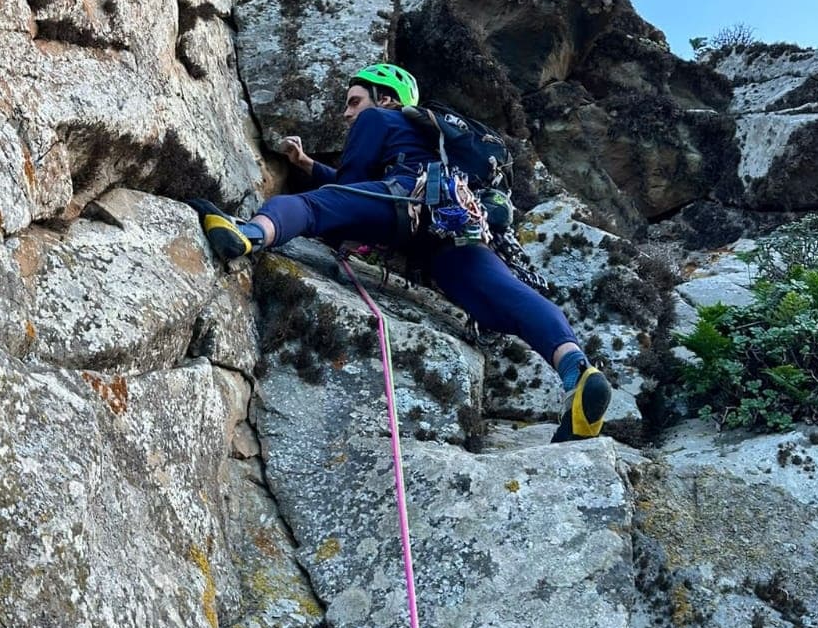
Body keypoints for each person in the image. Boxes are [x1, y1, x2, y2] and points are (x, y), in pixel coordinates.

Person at [191, 63, 612, 442]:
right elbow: (362, 188)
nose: (347, 113)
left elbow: (351, 186)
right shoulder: (429, 141)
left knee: (313, 205)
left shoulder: (378, 117)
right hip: (451, 223)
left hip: (404, 200)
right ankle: (576, 371)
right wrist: (306, 163)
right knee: (503, 298)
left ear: (385, 98)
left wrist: (323, 203)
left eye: (354, 100)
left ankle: (247, 235)